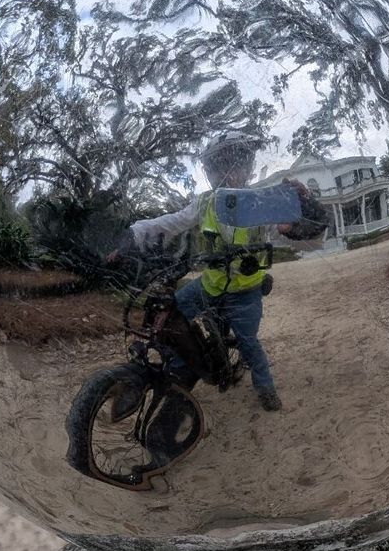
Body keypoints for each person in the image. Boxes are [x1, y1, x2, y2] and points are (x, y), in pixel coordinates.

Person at [126, 133, 309, 412]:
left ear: (247, 167)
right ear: (209, 172)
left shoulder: (260, 202)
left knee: (248, 343)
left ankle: (265, 388)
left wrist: (301, 216)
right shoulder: (205, 203)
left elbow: (288, 232)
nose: (225, 172)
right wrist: (134, 234)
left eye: (232, 164)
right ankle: (177, 365)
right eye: (216, 166)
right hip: (210, 285)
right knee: (172, 310)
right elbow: (172, 222)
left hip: (246, 290)